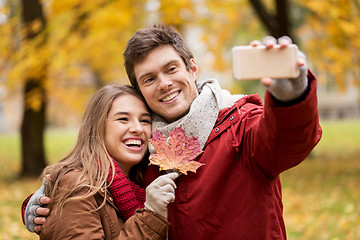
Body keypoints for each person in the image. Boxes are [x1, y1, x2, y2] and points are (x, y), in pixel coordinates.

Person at [24, 24, 322, 239]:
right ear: (140, 89)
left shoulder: (241, 125)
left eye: (171, 69)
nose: (164, 83)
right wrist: (48, 198)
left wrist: (291, 96)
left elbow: (287, 142)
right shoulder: (146, 147)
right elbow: (101, 181)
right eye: (149, 78)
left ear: (192, 68)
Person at [24, 83, 178, 239]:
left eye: (145, 120)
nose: (138, 128)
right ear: (98, 126)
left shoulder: (143, 181)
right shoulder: (78, 186)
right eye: (123, 119)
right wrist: (150, 217)